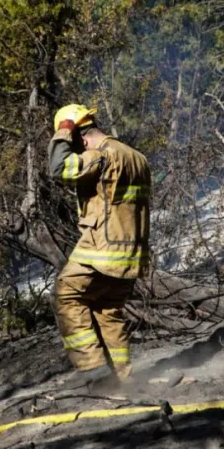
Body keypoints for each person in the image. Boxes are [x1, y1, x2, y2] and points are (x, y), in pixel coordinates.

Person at [48, 104, 151, 390]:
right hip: (133, 254)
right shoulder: (137, 157)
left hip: (103, 250)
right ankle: (123, 379)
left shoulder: (102, 157)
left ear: (81, 139)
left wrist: (63, 131)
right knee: (107, 311)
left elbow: (58, 167)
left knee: (65, 294)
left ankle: (94, 373)